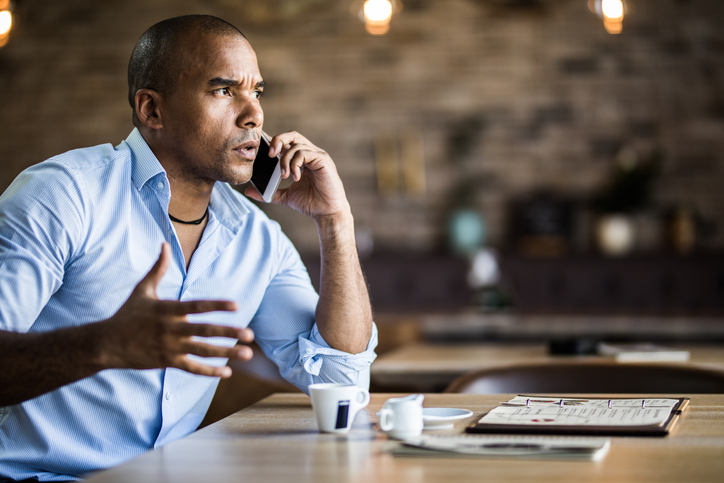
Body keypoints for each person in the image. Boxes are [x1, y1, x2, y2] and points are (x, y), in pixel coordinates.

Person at [0, 14, 377, 482]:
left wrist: (335, 220)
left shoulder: (255, 239)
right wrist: (103, 345)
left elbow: (340, 382)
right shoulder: (62, 195)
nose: (253, 114)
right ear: (152, 110)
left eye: (256, 92)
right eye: (223, 91)